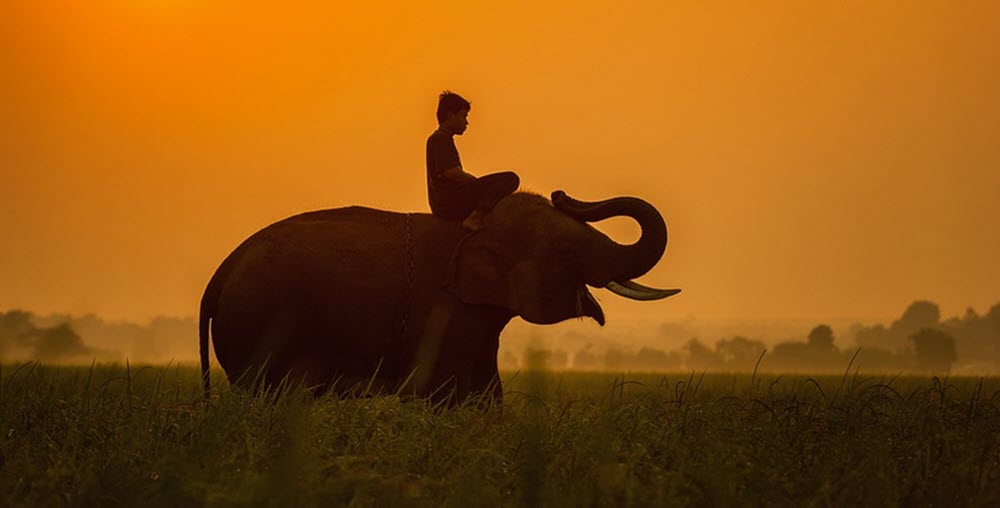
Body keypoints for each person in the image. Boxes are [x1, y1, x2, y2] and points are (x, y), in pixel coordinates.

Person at [426, 91, 520, 230]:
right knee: (510, 179)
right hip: (449, 202)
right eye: (464, 116)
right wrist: (478, 184)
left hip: (446, 201)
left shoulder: (440, 139)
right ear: (451, 115)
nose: (466, 122)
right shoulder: (440, 139)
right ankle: (476, 216)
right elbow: (452, 173)